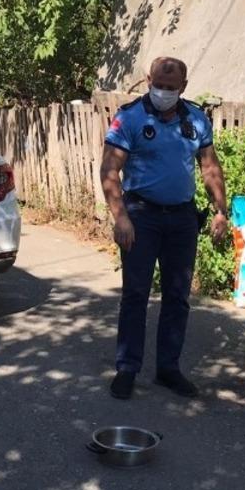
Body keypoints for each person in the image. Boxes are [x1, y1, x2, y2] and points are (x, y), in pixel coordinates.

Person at [99, 56, 229, 400]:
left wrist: (220, 209)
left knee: (177, 296)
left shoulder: (196, 120)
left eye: (171, 88)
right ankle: (127, 368)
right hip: (141, 216)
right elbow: (110, 170)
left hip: (183, 219)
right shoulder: (129, 118)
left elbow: (210, 166)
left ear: (183, 87)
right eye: (159, 85)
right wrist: (121, 217)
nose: (164, 92)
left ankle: (168, 368)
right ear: (148, 80)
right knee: (136, 294)